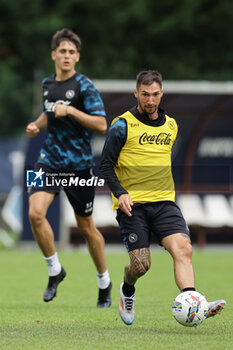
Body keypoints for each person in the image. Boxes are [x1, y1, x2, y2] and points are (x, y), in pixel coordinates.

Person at [100, 70, 226, 324]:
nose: (150, 100)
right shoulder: (121, 125)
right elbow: (104, 166)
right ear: (136, 93)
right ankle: (127, 290)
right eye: (145, 94)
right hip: (132, 206)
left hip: (165, 202)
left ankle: (193, 302)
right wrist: (121, 193)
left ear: (161, 93)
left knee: (183, 249)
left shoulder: (171, 125)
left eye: (155, 94)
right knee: (140, 266)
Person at [26, 28, 111, 307]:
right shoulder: (47, 83)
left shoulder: (85, 85)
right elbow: (49, 113)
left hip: (80, 167)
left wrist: (72, 110)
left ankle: (104, 282)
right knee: (35, 213)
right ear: (54, 54)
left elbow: (102, 125)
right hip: (48, 159)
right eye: (62, 51)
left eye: (71, 52)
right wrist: (36, 125)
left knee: (86, 228)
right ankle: (55, 270)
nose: (66, 56)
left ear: (77, 57)